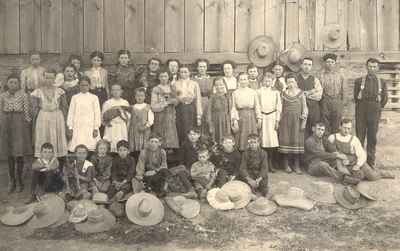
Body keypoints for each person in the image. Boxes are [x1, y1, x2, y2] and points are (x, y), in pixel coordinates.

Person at [327, 119, 393, 184]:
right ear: (340, 127)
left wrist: (358, 165)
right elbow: (331, 152)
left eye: (349, 128)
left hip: (356, 161)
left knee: (372, 177)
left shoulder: (354, 139)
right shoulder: (332, 137)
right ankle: (360, 175)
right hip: (343, 164)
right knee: (356, 176)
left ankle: (381, 173)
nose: (346, 131)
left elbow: (362, 155)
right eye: (344, 128)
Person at [0, 74, 32, 193]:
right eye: (11, 82)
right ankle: (11, 180)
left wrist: (26, 126)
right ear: (7, 83)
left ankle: (20, 180)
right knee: (9, 154)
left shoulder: (23, 95)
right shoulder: (2, 96)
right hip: (6, 123)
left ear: (19, 84)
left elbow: (27, 111)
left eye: (15, 82)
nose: (13, 85)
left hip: (19, 124)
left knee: (19, 153)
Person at [354, 58, 388, 168]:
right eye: (370, 66)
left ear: (377, 68)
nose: (372, 69)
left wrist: (377, 107)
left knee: (372, 137)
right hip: (361, 111)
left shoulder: (382, 82)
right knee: (360, 136)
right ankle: (359, 161)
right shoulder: (359, 81)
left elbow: (384, 99)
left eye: (374, 67)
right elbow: (356, 97)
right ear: (366, 67)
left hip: (374, 111)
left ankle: (370, 162)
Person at [31, 69, 68, 162]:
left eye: (51, 77)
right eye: (46, 77)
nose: (49, 80)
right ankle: (43, 164)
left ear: (55, 78)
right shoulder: (37, 91)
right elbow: (34, 108)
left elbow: (64, 107)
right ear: (43, 78)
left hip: (57, 117)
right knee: (44, 137)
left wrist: (66, 123)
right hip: (43, 117)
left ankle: (57, 164)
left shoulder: (60, 91)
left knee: (57, 137)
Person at [278, 73, 308, 174]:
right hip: (285, 121)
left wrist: (303, 120)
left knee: (296, 141)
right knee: (286, 141)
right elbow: (280, 108)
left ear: (296, 82)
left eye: (292, 81)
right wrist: (279, 120)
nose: (290, 84)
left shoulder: (301, 93)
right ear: (286, 83)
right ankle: (286, 165)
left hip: (297, 121)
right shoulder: (283, 94)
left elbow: (304, 107)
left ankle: (296, 165)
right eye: (288, 82)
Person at [67, 76, 101, 153]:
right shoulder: (75, 97)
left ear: (89, 86)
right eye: (82, 85)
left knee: (90, 146)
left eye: (86, 85)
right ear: (79, 86)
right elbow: (71, 113)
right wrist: (70, 127)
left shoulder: (94, 97)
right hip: (78, 126)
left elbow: (97, 113)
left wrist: (96, 128)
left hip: (90, 125)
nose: (84, 87)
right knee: (77, 145)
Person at [257, 72, 282, 172]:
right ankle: (263, 164)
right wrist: (259, 118)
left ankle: (271, 163)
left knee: (272, 142)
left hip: (272, 117)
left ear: (272, 82)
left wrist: (277, 120)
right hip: (263, 117)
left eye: (269, 80)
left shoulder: (276, 92)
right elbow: (257, 105)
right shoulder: (258, 92)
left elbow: (278, 107)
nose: (267, 82)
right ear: (262, 81)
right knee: (263, 141)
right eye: (265, 80)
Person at [231, 72, 262, 151]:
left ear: (248, 81)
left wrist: (259, 118)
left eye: (245, 79)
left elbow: (257, 106)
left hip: (251, 116)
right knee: (241, 138)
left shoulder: (253, 92)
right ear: (238, 81)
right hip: (240, 116)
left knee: (251, 136)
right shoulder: (235, 93)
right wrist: (234, 120)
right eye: (241, 79)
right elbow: (233, 107)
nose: (243, 81)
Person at [151, 69, 180, 150]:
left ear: (168, 77)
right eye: (161, 76)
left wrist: (173, 101)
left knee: (170, 135)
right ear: (158, 78)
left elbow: (177, 101)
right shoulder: (156, 89)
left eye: (165, 76)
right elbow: (153, 106)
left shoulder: (172, 87)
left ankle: (170, 153)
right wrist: (165, 104)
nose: (163, 78)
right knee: (160, 135)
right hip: (160, 116)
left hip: (170, 116)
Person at [174, 66, 202, 145]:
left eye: (185, 72)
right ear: (179, 73)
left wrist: (199, 115)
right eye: (181, 72)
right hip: (179, 109)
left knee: (190, 128)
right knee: (180, 128)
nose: (183, 74)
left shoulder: (194, 84)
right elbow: (173, 97)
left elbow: (198, 100)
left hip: (191, 109)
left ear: (189, 73)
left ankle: (191, 145)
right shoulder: (175, 84)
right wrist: (179, 99)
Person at [318, 53, 344, 134]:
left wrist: (342, 102)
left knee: (336, 123)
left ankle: (334, 142)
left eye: (332, 62)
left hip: (337, 101)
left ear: (335, 63)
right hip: (325, 101)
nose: (330, 64)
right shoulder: (321, 75)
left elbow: (344, 89)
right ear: (325, 63)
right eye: (328, 62)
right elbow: (318, 89)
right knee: (325, 123)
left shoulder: (340, 75)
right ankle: (326, 143)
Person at [296, 57, 323, 138]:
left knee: (313, 128)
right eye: (305, 64)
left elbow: (319, 95)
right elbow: (293, 94)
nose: (307, 66)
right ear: (301, 65)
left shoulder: (315, 79)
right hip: (299, 108)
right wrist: (312, 91)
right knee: (300, 129)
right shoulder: (295, 79)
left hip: (313, 108)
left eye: (309, 65)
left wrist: (306, 94)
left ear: (311, 67)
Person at [102, 84, 130, 153]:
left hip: (121, 126)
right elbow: (103, 117)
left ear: (121, 91)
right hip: (111, 126)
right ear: (111, 92)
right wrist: (107, 122)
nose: (116, 92)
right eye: (113, 90)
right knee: (111, 145)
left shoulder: (125, 102)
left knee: (122, 145)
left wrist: (120, 111)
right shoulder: (107, 103)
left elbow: (128, 117)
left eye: (118, 90)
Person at [128, 87, 154, 156]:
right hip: (134, 131)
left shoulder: (147, 107)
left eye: (142, 96)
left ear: (145, 97)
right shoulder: (132, 107)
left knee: (144, 148)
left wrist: (145, 126)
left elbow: (151, 120)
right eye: (138, 96)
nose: (139, 97)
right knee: (135, 149)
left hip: (144, 130)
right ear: (135, 97)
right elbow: (129, 120)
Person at [206, 77, 232, 144]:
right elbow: (208, 112)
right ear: (214, 86)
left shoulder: (228, 97)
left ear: (224, 85)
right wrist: (210, 124)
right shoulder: (212, 97)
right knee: (216, 138)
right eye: (216, 85)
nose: (219, 87)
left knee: (226, 137)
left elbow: (230, 110)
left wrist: (231, 121)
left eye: (221, 84)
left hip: (226, 121)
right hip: (216, 121)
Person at [193, 58, 214, 136]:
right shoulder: (193, 79)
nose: (202, 69)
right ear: (197, 68)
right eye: (200, 67)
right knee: (198, 121)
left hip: (208, 101)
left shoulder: (211, 79)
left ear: (207, 67)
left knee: (207, 120)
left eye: (204, 67)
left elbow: (213, 92)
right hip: (197, 102)